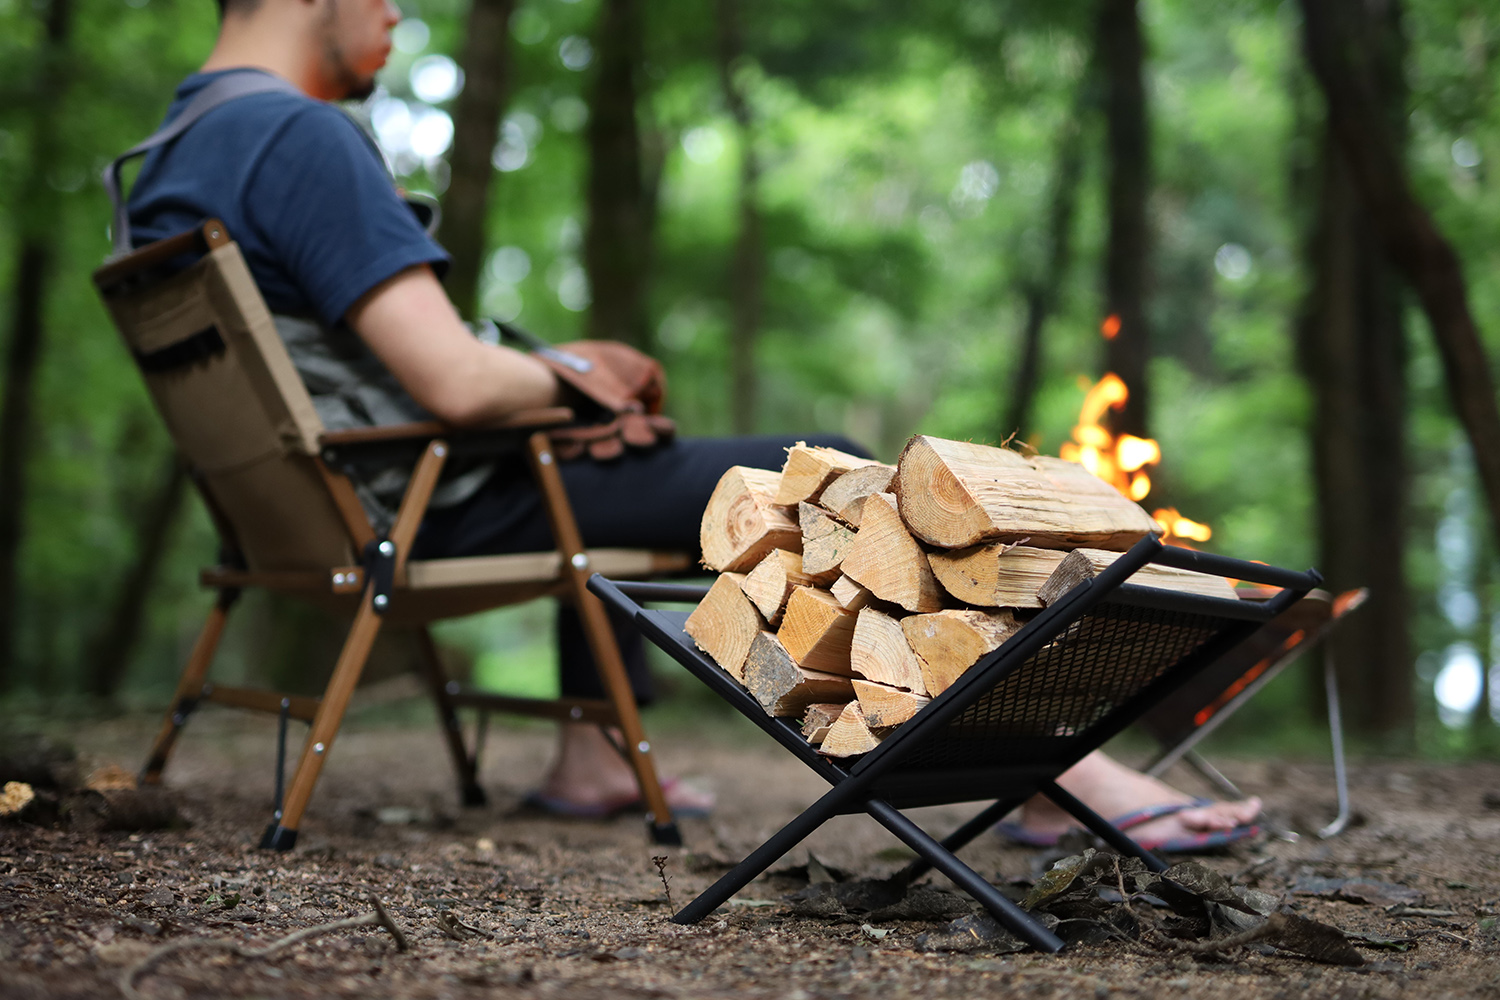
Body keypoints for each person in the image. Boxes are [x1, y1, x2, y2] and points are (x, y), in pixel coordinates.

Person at [122, 0, 1263, 848]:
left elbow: (377, 378)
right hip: (418, 504)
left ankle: (591, 756)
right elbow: (458, 387)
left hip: (321, 510)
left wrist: (553, 387)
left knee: (639, 458)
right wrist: (575, 382)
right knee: (819, 476)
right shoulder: (298, 139)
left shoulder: (170, 158)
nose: (395, 13)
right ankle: (1063, 777)